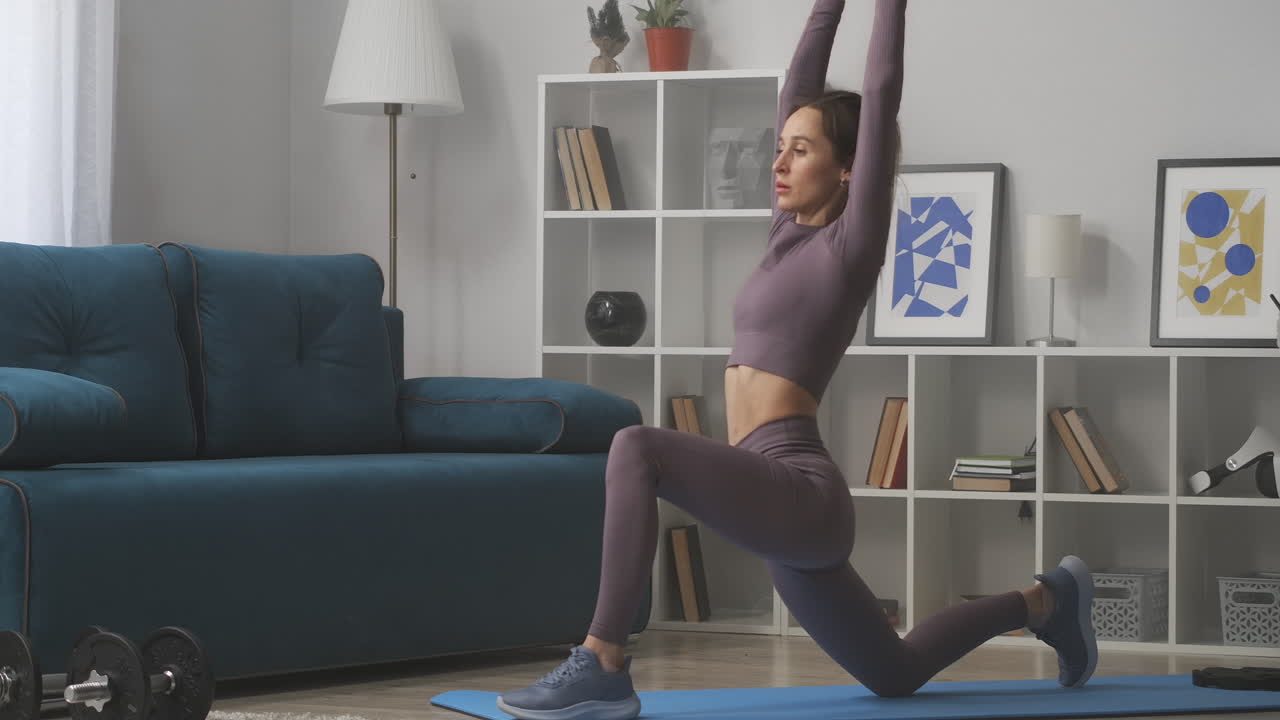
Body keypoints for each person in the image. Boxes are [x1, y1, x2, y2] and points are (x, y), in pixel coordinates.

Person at [498, 1, 1097, 718]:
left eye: (802, 149)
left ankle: (602, 659)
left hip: (796, 488)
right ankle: (1048, 598)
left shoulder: (853, 247)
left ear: (849, 169)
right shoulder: (783, 231)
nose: (778, 162)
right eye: (780, 146)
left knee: (636, 448)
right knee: (895, 672)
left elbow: (879, 93)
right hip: (770, 497)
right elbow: (799, 83)